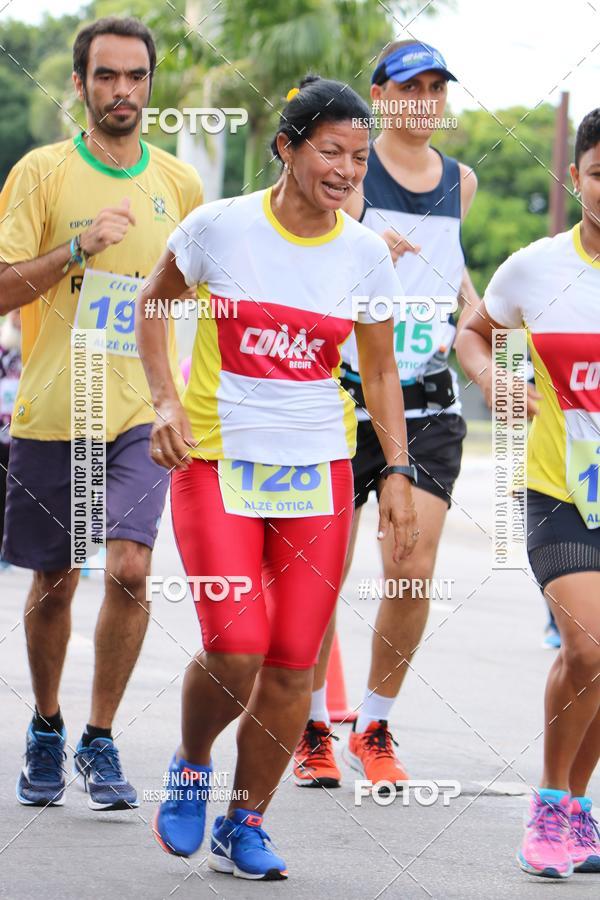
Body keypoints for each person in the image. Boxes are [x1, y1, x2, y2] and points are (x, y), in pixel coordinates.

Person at [136, 75, 418, 881]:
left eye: (360, 159)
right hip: (217, 464)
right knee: (237, 647)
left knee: (295, 661)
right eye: (331, 151)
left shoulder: (363, 252)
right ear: (287, 148)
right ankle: (192, 763)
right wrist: (163, 400)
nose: (347, 171)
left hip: (318, 472)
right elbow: (154, 305)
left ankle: (245, 821)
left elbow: (382, 371)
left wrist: (396, 468)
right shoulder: (218, 228)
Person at [0, 16, 202, 811]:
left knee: (129, 566)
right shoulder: (42, 173)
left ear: (151, 83)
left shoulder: (179, 185)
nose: (123, 91)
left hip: (140, 414)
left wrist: (181, 400)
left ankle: (100, 735)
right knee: (54, 583)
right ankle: (47, 723)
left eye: (137, 76)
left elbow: (201, 297)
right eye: (107, 77)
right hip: (56, 409)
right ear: (79, 84)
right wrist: (76, 250)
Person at [294, 39, 479, 789]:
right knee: (320, 575)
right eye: (412, 86)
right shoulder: (349, 173)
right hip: (344, 395)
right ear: (381, 93)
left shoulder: (460, 182)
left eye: (438, 87)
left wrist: (495, 365)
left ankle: (373, 724)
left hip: (428, 400)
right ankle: (309, 725)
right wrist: (366, 248)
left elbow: (460, 284)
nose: (427, 100)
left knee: (411, 569)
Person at [456, 108, 600, 879]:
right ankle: (551, 802)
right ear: (576, 177)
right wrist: (492, 379)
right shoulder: (535, 268)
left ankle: (574, 810)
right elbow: (472, 333)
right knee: (587, 644)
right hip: (559, 489)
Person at [0, 310, 22, 568]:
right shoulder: (4, 350)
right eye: (14, 314)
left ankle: (10, 547)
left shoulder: (34, 350)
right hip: (3, 435)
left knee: (14, 495)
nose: (18, 319)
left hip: (23, 436)